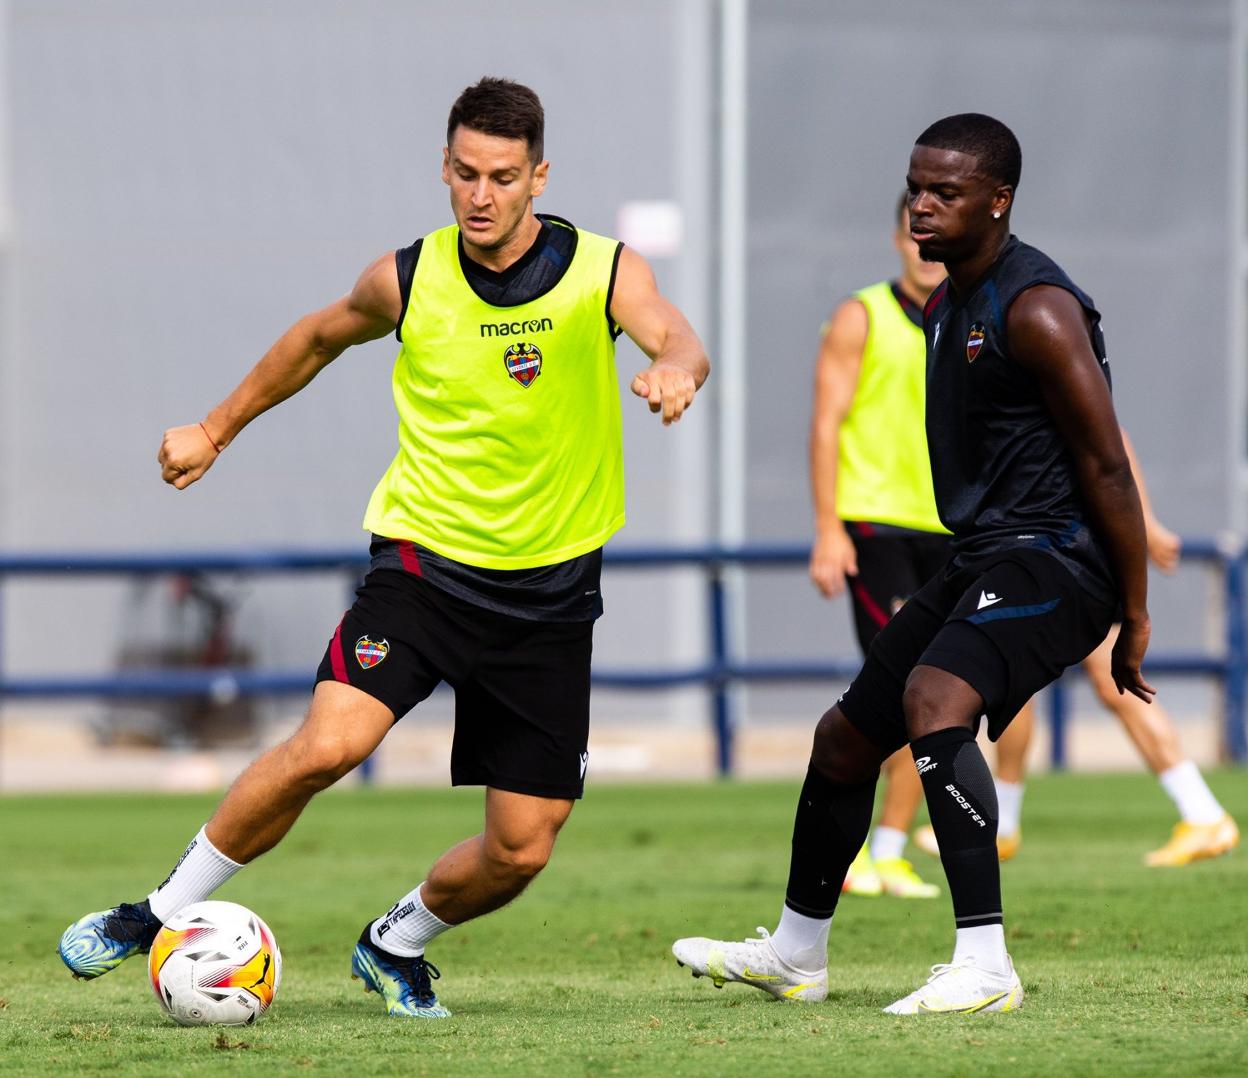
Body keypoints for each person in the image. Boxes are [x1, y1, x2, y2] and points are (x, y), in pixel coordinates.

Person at [58, 77, 709, 1019]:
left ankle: (393, 941)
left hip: (550, 599)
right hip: (425, 570)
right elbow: (318, 338)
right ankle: (150, 912)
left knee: (523, 846)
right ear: (444, 169)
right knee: (331, 744)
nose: (481, 195)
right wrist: (214, 427)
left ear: (539, 177)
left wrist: (675, 371)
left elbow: (673, 334)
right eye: (465, 173)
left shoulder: (602, 271)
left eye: (503, 176)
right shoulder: (406, 279)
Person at [673, 112, 1154, 1015]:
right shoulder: (944, 302)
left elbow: (1107, 464)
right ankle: (797, 955)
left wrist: (1133, 611)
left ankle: (985, 964)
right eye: (915, 188)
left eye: (946, 192)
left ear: (999, 202)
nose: (921, 206)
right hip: (983, 555)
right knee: (844, 739)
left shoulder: (1038, 308)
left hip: (1058, 559)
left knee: (937, 698)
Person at [914, 431, 1238, 865]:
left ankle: (1203, 813)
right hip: (1043, 544)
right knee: (1031, 677)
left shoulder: (1038, 364)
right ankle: (1199, 812)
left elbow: (1112, 439)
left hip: (1068, 549)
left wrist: (1149, 524)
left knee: (1097, 676)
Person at [807, 192, 949, 899]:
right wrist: (828, 527)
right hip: (878, 528)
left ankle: (885, 851)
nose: (926, 246)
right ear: (897, 238)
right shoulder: (861, 316)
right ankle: (868, 847)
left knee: (947, 693)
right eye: (913, 232)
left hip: (951, 531)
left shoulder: (971, 316)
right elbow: (827, 420)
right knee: (906, 684)